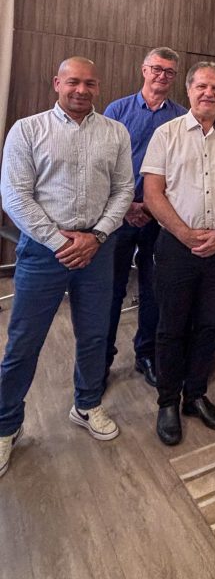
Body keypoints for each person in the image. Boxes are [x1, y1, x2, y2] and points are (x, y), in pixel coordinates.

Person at [0, 57, 133, 476]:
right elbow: (15, 196)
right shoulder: (27, 130)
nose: (81, 90)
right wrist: (60, 242)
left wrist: (97, 236)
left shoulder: (115, 132)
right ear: (57, 83)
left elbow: (124, 189)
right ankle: (6, 425)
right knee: (24, 341)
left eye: (89, 83)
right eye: (73, 82)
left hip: (98, 250)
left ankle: (87, 404)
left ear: (98, 87)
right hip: (44, 251)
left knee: (94, 335)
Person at [142, 62, 215, 446]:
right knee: (171, 327)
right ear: (188, 90)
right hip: (176, 247)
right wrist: (184, 233)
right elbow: (152, 192)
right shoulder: (166, 134)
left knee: (208, 324)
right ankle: (168, 402)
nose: (209, 93)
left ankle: (196, 395)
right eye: (202, 86)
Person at [103, 47, 187, 389]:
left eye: (169, 71)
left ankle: (146, 355)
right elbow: (104, 164)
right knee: (112, 290)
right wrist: (127, 207)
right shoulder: (117, 111)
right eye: (156, 69)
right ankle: (102, 359)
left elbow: (180, 172)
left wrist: (150, 208)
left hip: (159, 217)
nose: (162, 76)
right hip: (118, 216)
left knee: (154, 291)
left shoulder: (181, 117)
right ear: (144, 70)